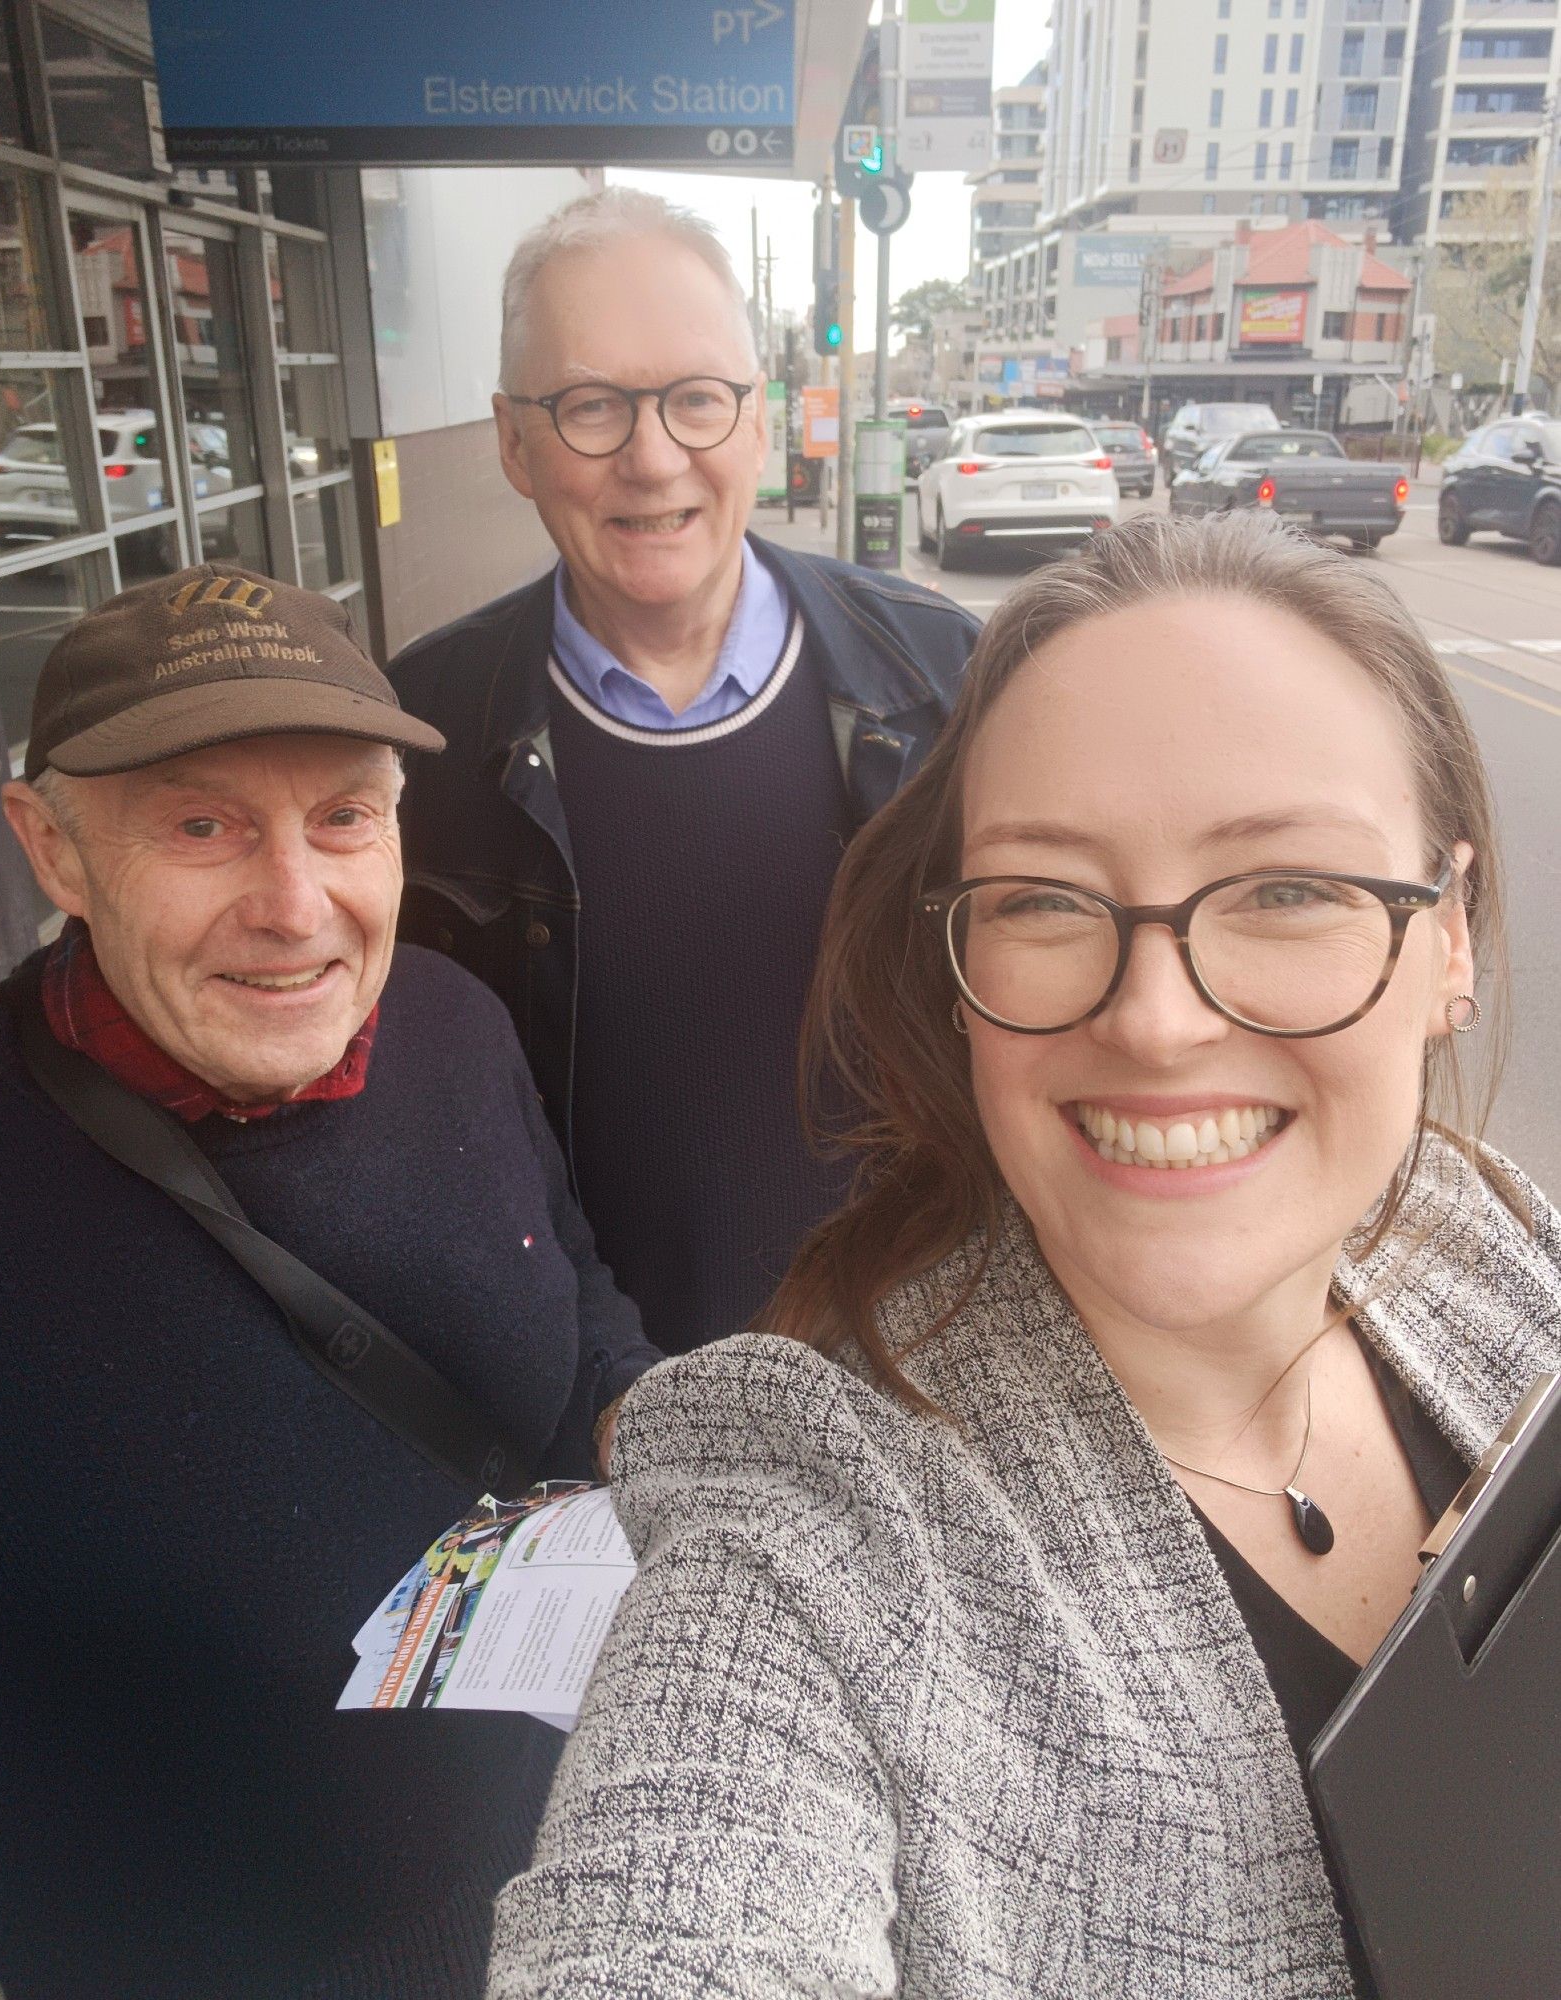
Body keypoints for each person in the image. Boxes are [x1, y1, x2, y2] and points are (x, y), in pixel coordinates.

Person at [486, 513, 1561, 1998]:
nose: (1155, 1019)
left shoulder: (1486, 1238)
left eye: (1284, 888)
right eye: (1047, 899)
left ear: (1447, 936)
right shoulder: (810, 1510)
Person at [0, 563, 659, 2000]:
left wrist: (650, 1432)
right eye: (202, 825)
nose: (295, 907)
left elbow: (574, 1292)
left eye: (342, 818)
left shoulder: (455, 1023)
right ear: (51, 848)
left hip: (559, 1904)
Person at [392, 187, 975, 1357]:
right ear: (513, 441)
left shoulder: (949, 679)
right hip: (594, 1403)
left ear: (759, 424)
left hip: (925, 1367)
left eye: (698, 400)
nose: (653, 460)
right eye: (590, 406)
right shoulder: (416, 732)